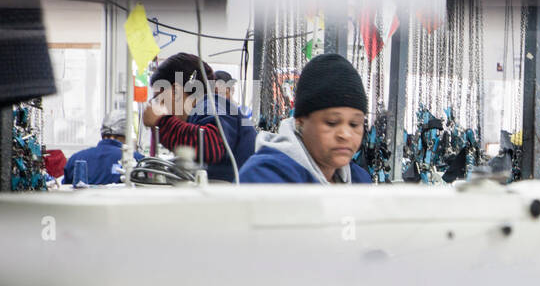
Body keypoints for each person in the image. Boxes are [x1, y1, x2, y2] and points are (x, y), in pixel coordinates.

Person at [239, 53, 373, 184]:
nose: (345, 135)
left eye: (355, 124)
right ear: (300, 121)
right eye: (331, 123)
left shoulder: (359, 180)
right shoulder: (263, 179)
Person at [141, 52, 257, 183]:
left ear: (176, 91)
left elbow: (211, 145)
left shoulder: (213, 104)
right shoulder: (202, 112)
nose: (159, 105)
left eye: (159, 98)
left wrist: (161, 122)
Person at [62, 113, 142, 185]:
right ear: (126, 135)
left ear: (102, 134)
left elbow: (64, 190)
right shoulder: (137, 160)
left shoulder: (75, 159)